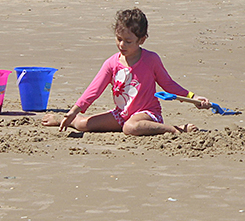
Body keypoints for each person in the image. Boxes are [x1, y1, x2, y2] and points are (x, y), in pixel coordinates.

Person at [41, 8, 211, 135]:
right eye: (119, 39)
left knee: (130, 127)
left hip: (147, 114)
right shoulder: (111, 63)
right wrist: (72, 112)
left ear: (141, 40)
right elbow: (93, 90)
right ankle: (61, 119)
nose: (122, 45)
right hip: (121, 114)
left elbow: (168, 84)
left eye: (128, 41)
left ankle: (176, 129)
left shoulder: (151, 60)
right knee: (84, 124)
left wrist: (193, 98)